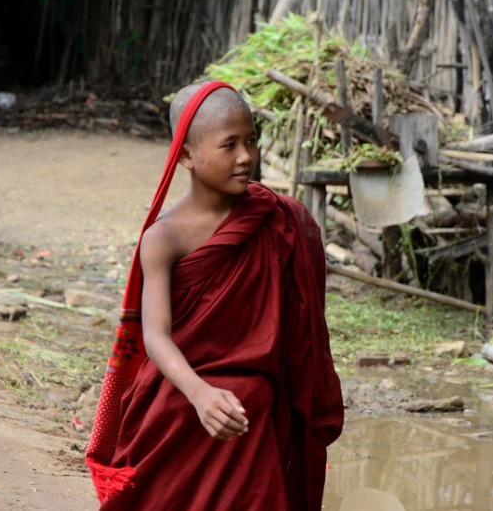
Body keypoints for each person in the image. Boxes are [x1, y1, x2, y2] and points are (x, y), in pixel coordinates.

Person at [85, 80, 344, 510]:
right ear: (186, 155)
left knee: (254, 406)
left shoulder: (279, 220)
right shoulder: (164, 237)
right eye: (229, 145)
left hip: (256, 407)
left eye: (251, 141)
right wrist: (200, 393)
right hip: (180, 394)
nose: (246, 157)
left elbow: (301, 330)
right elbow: (156, 337)